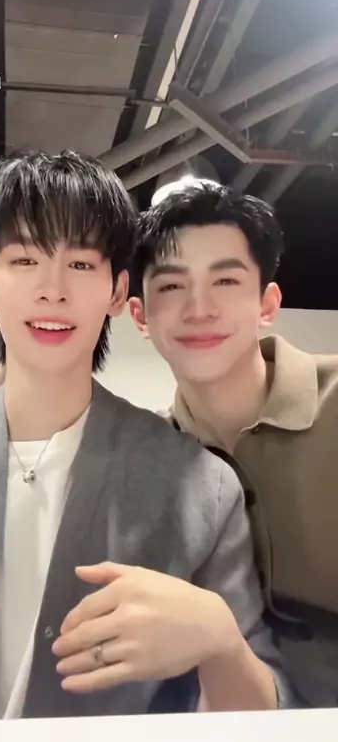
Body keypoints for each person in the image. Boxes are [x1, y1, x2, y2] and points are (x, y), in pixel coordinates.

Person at [0, 152, 291, 725]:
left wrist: (219, 641)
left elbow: (262, 721)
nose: (52, 290)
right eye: (25, 259)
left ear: (117, 291)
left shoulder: (200, 489)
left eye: (81, 264)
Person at [129, 178, 338, 708]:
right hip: (243, 733)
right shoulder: (150, 457)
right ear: (140, 316)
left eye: (225, 280)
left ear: (267, 303)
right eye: (171, 287)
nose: (199, 308)